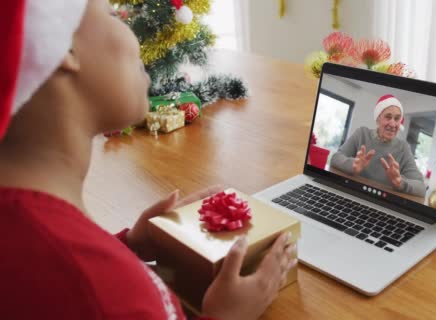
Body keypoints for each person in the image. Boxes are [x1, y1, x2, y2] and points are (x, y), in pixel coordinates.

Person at [0, 1, 296, 319]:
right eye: (110, 13)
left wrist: (125, 247)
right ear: (62, 47)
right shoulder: (107, 291)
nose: (131, 29)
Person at [330, 94, 425, 197]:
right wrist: (352, 166)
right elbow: (335, 158)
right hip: (353, 194)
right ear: (378, 119)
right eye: (388, 117)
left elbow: (421, 188)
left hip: (384, 202)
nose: (393, 124)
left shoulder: (404, 148)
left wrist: (400, 183)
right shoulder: (362, 134)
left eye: (397, 119)